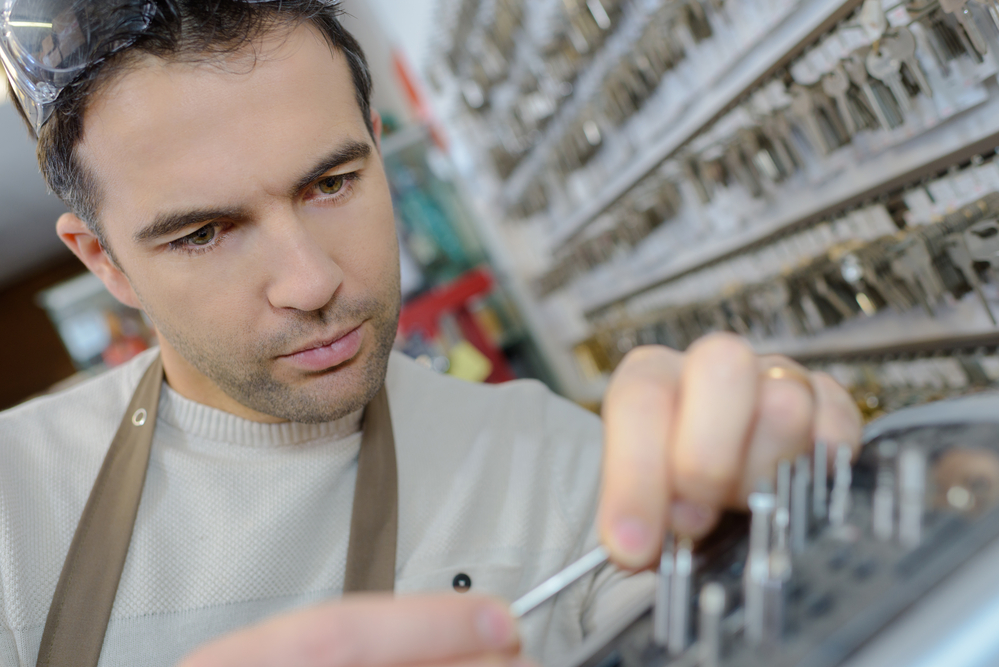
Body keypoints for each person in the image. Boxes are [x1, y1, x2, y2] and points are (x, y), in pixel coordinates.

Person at [0, 1, 863, 666]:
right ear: (104, 261)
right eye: (203, 233)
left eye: (331, 183)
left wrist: (793, 548)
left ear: (377, 150)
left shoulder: (555, 464)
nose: (312, 281)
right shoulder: (13, 502)